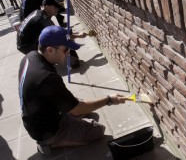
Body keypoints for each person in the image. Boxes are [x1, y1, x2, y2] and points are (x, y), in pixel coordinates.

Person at [18, 25, 130, 155]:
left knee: (83, 107)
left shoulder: (30, 56)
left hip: (38, 116)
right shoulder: (46, 77)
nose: (68, 53)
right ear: (50, 50)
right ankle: (50, 143)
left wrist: (75, 35)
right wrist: (109, 99)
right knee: (97, 130)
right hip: (46, 130)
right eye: (65, 49)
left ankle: (64, 125)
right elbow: (77, 108)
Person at [17, 0, 80, 67]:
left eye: (57, 8)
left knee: (58, 36)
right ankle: (72, 61)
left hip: (25, 42)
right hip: (27, 46)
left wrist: (74, 34)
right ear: (47, 6)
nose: (57, 10)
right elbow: (60, 37)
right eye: (55, 8)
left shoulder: (39, 12)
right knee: (57, 42)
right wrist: (76, 36)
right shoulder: (42, 19)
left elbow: (57, 30)